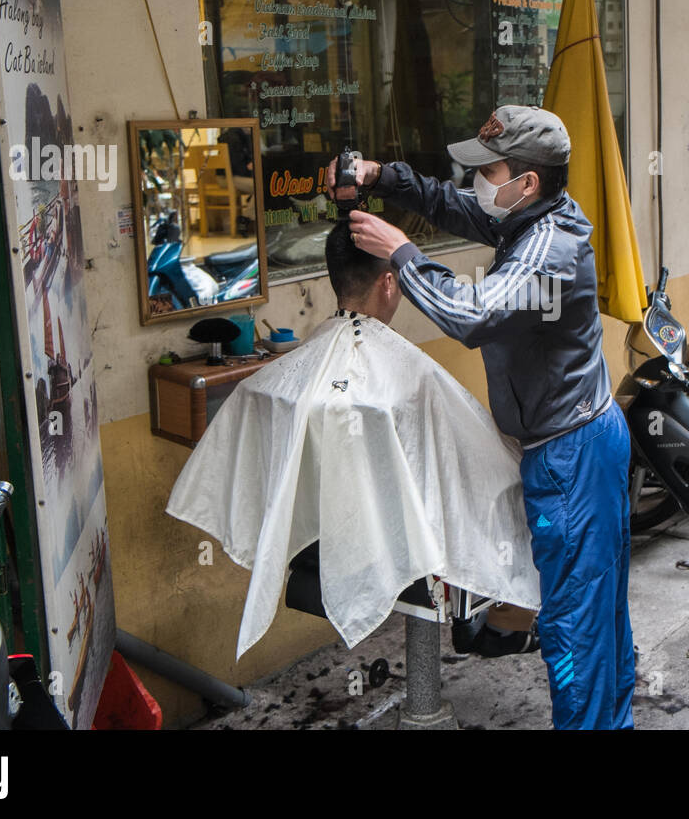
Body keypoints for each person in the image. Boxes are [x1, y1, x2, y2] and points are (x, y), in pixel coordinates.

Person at [328, 104, 635, 730]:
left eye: (487, 172)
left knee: (576, 627)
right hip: (574, 442)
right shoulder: (526, 219)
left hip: (573, 455)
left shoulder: (547, 249)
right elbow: (452, 204)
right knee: (596, 615)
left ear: (525, 181)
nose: (477, 184)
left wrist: (403, 253)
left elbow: (471, 316)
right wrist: (382, 176)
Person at [166, 220, 541, 657]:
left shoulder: (278, 379)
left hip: (316, 546)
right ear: (388, 283)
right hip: (395, 546)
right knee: (520, 486)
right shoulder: (408, 377)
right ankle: (506, 624)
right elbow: (473, 460)